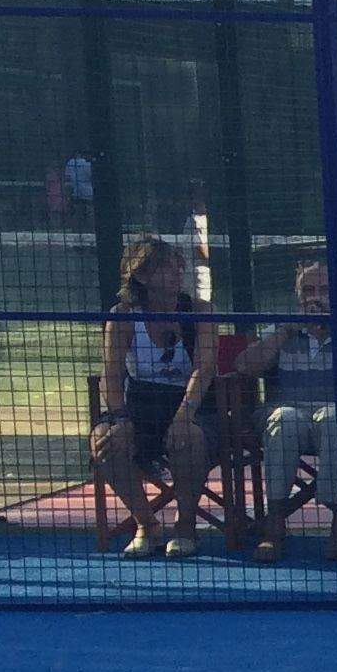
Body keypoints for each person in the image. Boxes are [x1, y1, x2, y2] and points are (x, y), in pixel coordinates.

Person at [239, 258, 337, 561]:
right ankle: (274, 525)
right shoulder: (280, 327)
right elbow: (246, 367)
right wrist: (284, 333)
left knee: (334, 419)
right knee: (284, 419)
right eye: (308, 290)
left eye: (325, 290)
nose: (316, 297)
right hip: (288, 411)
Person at [91, 235, 218, 559]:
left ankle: (185, 527)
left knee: (187, 436)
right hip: (140, 407)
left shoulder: (201, 312)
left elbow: (204, 370)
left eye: (179, 266)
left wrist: (183, 415)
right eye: (166, 267)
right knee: (105, 441)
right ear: (142, 276)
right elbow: (112, 373)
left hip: (191, 406)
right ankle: (147, 525)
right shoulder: (123, 315)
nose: (177, 272)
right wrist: (119, 419)